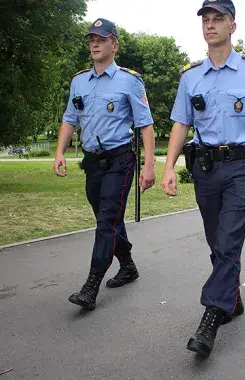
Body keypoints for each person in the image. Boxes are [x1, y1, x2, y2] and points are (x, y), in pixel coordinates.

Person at [161, 0, 245, 357]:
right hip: (205, 170)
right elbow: (181, 124)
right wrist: (167, 167)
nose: (210, 25)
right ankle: (233, 299)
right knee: (216, 241)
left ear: (232, 26)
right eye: (205, 20)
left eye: (217, 19)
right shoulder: (190, 76)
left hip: (241, 169)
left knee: (229, 240)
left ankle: (211, 316)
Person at [54, 18, 156, 311]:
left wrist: (149, 165)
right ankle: (128, 265)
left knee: (106, 220)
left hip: (119, 160)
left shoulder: (129, 80)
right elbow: (70, 119)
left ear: (114, 44)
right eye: (91, 39)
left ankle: (91, 285)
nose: (94, 44)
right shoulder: (79, 81)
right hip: (92, 162)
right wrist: (60, 152)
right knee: (108, 219)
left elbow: (145, 125)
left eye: (101, 38)